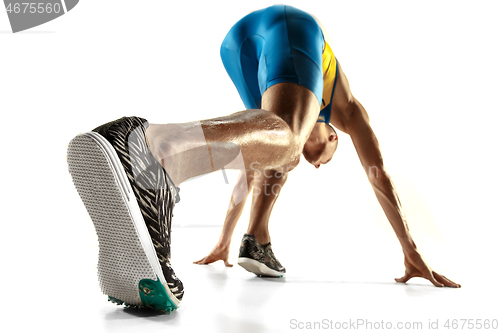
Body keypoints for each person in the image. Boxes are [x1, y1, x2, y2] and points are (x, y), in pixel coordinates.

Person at [67, 4, 459, 314]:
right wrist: (412, 250)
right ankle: (154, 145)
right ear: (334, 136)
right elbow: (380, 178)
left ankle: (249, 237)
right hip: (292, 26)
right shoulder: (350, 112)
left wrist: (223, 239)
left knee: (270, 148)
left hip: (240, 45)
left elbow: (246, 169)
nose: (317, 163)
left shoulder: (293, 104)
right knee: (287, 142)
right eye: (324, 156)